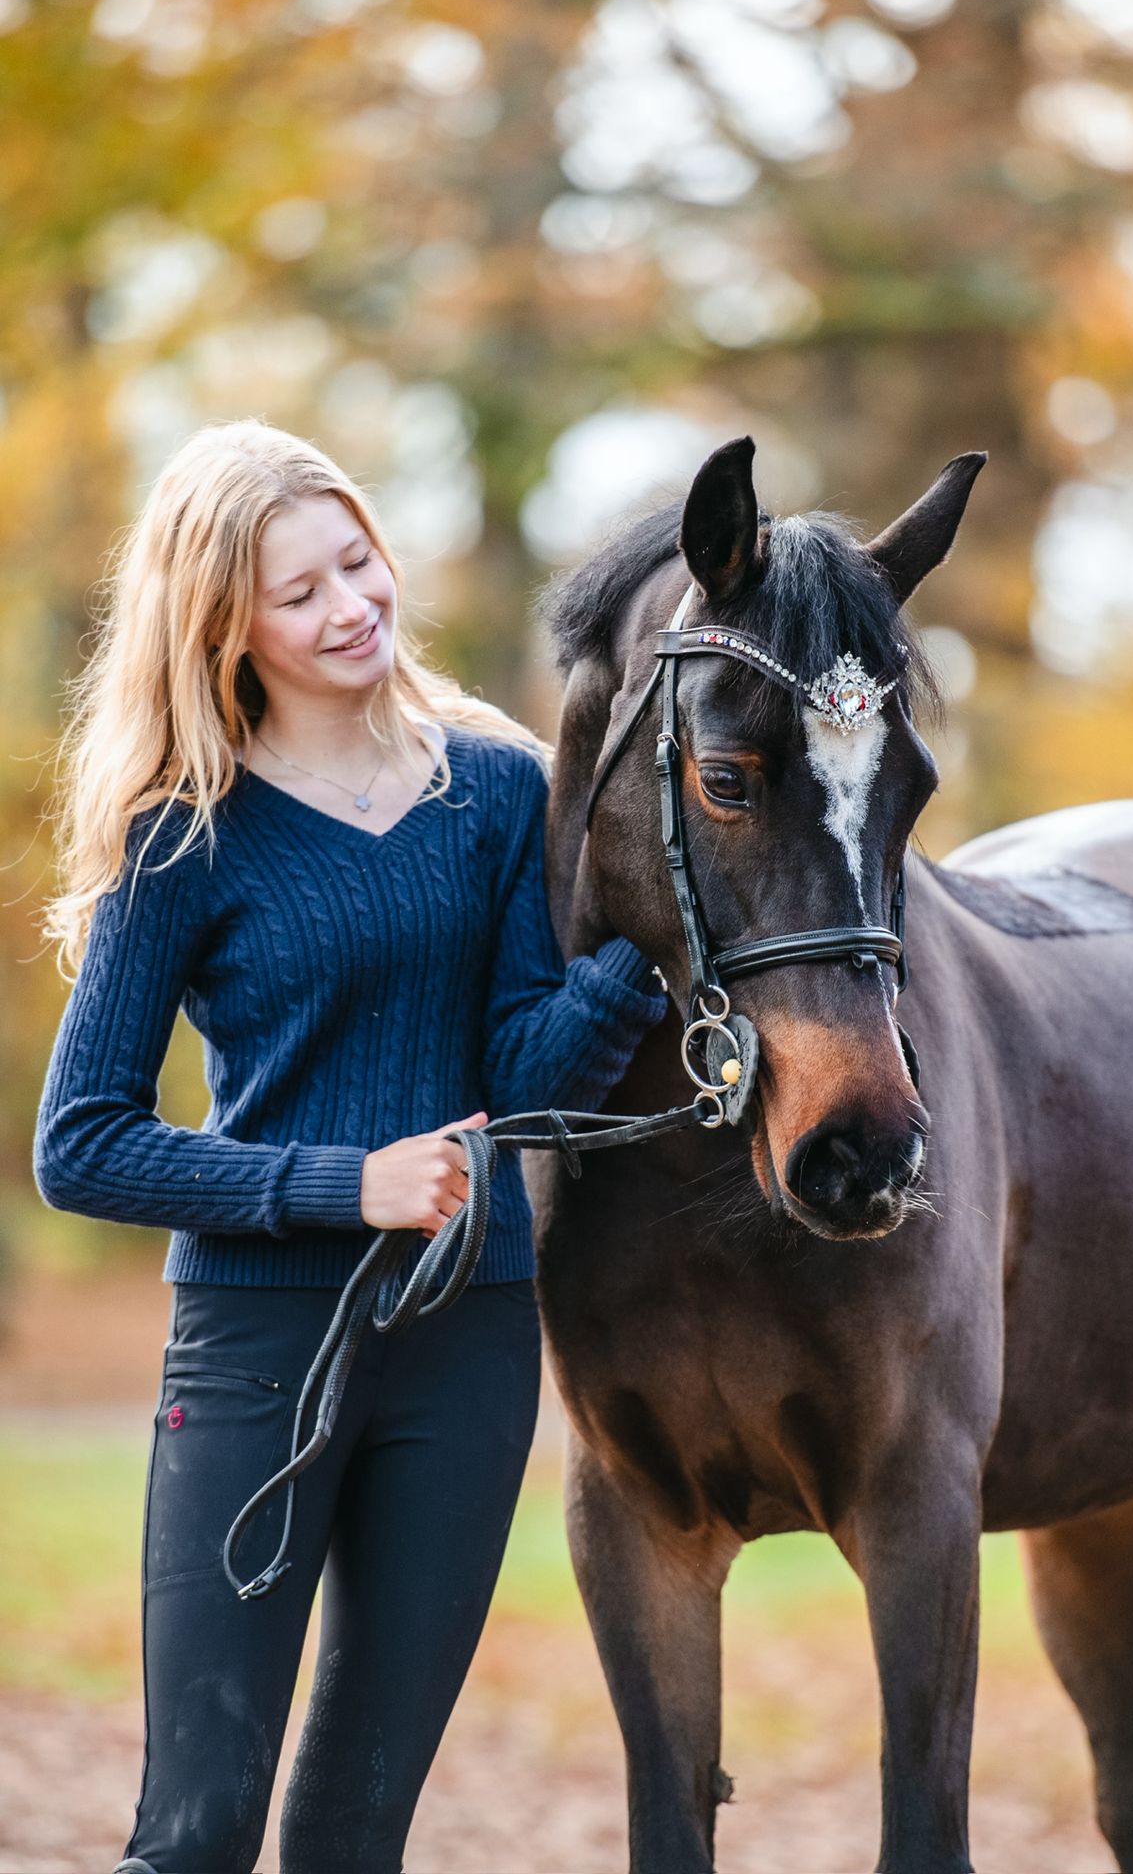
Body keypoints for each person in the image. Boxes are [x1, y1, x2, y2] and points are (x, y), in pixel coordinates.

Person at [31, 419, 667, 1874]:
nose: (351, 606)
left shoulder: (494, 791)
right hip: (257, 1347)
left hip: (467, 1342)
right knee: (195, 1833)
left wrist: (638, 946)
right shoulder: (181, 835)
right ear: (226, 629)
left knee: (353, 1835)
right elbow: (80, 1144)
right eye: (299, 591)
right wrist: (347, 1184)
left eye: (357, 562)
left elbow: (520, 1072)